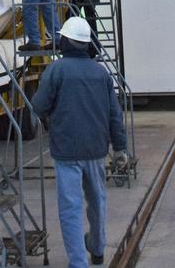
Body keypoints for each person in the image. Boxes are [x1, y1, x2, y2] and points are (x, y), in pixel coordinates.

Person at [32, 16, 127, 268]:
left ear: (65, 41)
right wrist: (120, 148)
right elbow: (114, 114)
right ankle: (97, 248)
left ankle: (78, 263)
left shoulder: (56, 70)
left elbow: (39, 106)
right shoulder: (101, 73)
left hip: (66, 152)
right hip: (96, 149)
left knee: (70, 209)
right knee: (97, 201)